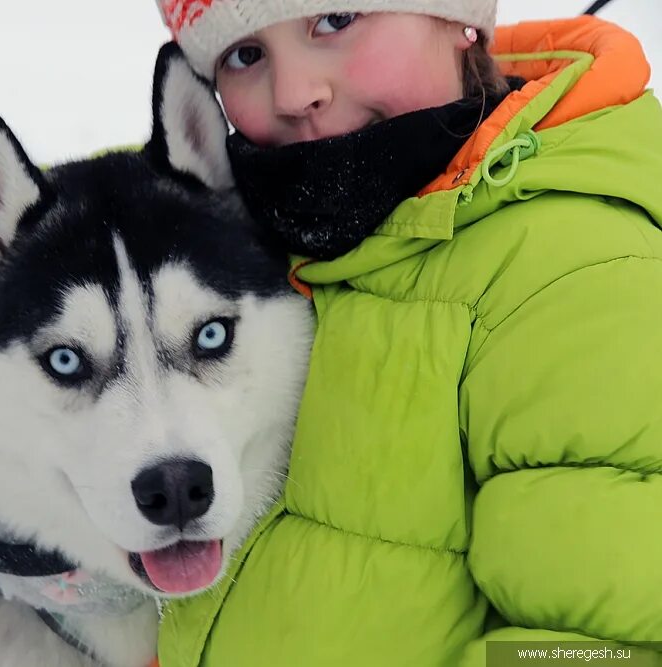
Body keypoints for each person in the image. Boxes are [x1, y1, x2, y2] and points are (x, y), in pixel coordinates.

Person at [149, 1, 662, 665]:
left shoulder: (571, 273)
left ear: (457, 20)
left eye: (335, 20)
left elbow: (608, 646)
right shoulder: (269, 217)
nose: (293, 93)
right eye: (244, 56)